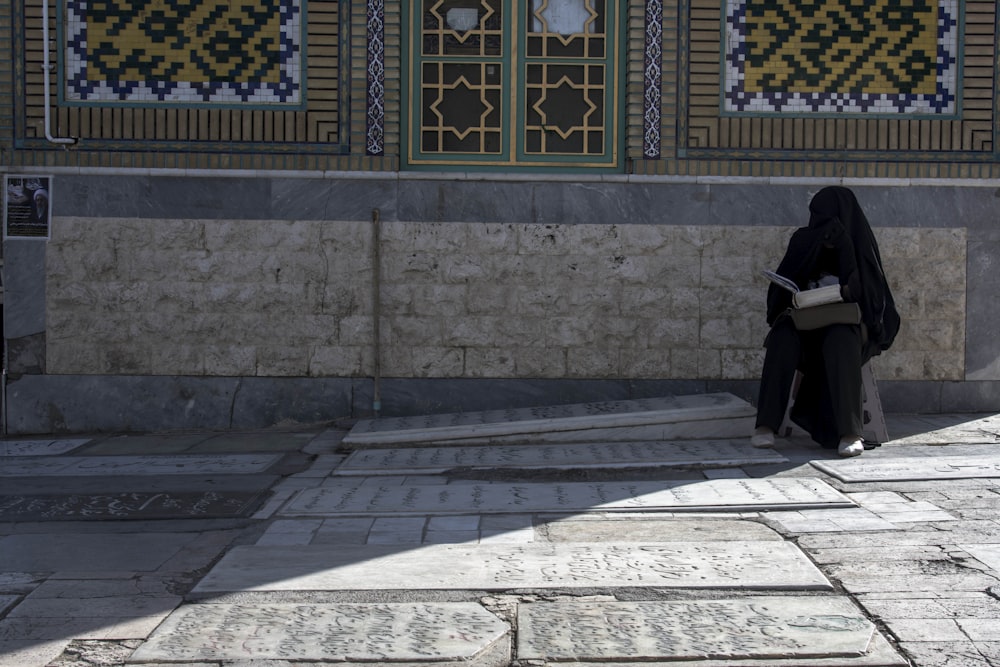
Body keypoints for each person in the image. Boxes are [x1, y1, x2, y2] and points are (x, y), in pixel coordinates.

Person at [751, 186, 900, 457]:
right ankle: (765, 426)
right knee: (782, 336)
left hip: (847, 326)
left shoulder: (858, 241)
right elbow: (780, 295)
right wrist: (811, 255)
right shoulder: (803, 239)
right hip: (805, 325)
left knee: (840, 339)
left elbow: (872, 299)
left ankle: (850, 432)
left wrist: (844, 251)